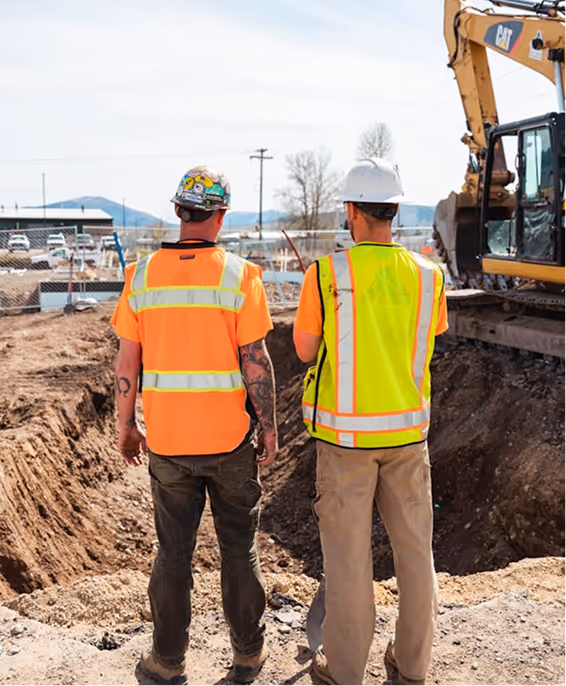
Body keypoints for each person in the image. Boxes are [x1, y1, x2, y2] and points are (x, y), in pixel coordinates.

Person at [110, 165, 277, 686]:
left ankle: (166, 662)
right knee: (238, 550)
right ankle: (248, 656)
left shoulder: (140, 277)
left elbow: (125, 365)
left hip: (168, 443)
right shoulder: (240, 276)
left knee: (173, 555)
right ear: (221, 215)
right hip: (229, 441)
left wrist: (126, 427)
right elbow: (257, 362)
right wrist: (268, 427)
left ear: (179, 211)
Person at [293, 158, 448, 686]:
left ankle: (343, 672)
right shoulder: (430, 276)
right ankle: (412, 667)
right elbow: (424, 341)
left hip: (345, 442)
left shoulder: (327, 274)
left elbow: (304, 349)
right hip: (408, 438)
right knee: (415, 557)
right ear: (395, 210)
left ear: (353, 211)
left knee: (348, 563)